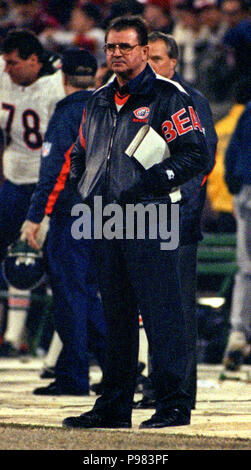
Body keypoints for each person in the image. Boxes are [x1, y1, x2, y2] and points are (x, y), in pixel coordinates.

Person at [62, 15, 209, 430]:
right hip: (107, 218)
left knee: (162, 317)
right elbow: (80, 152)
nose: (117, 54)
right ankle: (113, 405)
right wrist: (83, 185)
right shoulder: (98, 99)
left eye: (125, 47)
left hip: (152, 215)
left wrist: (151, 183)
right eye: (111, 47)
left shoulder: (168, 97)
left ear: (145, 51)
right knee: (117, 317)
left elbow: (196, 154)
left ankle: (174, 405)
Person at [133, 31, 217, 410]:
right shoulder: (146, 99)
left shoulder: (190, 101)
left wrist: (179, 212)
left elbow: (201, 163)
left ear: (174, 63)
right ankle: (158, 387)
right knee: (154, 308)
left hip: (176, 219)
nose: (149, 66)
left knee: (177, 310)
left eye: (157, 59)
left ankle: (179, 392)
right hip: (144, 218)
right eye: (145, 58)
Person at [23, 46, 107, 395]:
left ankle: (74, 375)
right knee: (88, 294)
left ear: (61, 76)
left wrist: (34, 216)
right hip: (106, 212)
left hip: (71, 212)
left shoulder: (68, 113)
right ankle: (120, 367)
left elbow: (56, 170)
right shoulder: (109, 108)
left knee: (71, 296)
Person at [0, 29, 64, 357]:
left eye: (13, 63)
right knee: (16, 256)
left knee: (54, 262)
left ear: (33, 60)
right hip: (13, 179)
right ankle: (12, 336)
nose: (7, 68)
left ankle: (55, 343)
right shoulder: (3, 74)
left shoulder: (55, 86)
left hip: (49, 184)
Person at [222, 97, 251, 370]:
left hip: (247, 191)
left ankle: (238, 335)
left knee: (246, 268)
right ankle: (239, 336)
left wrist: (235, 187)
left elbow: (233, 154)